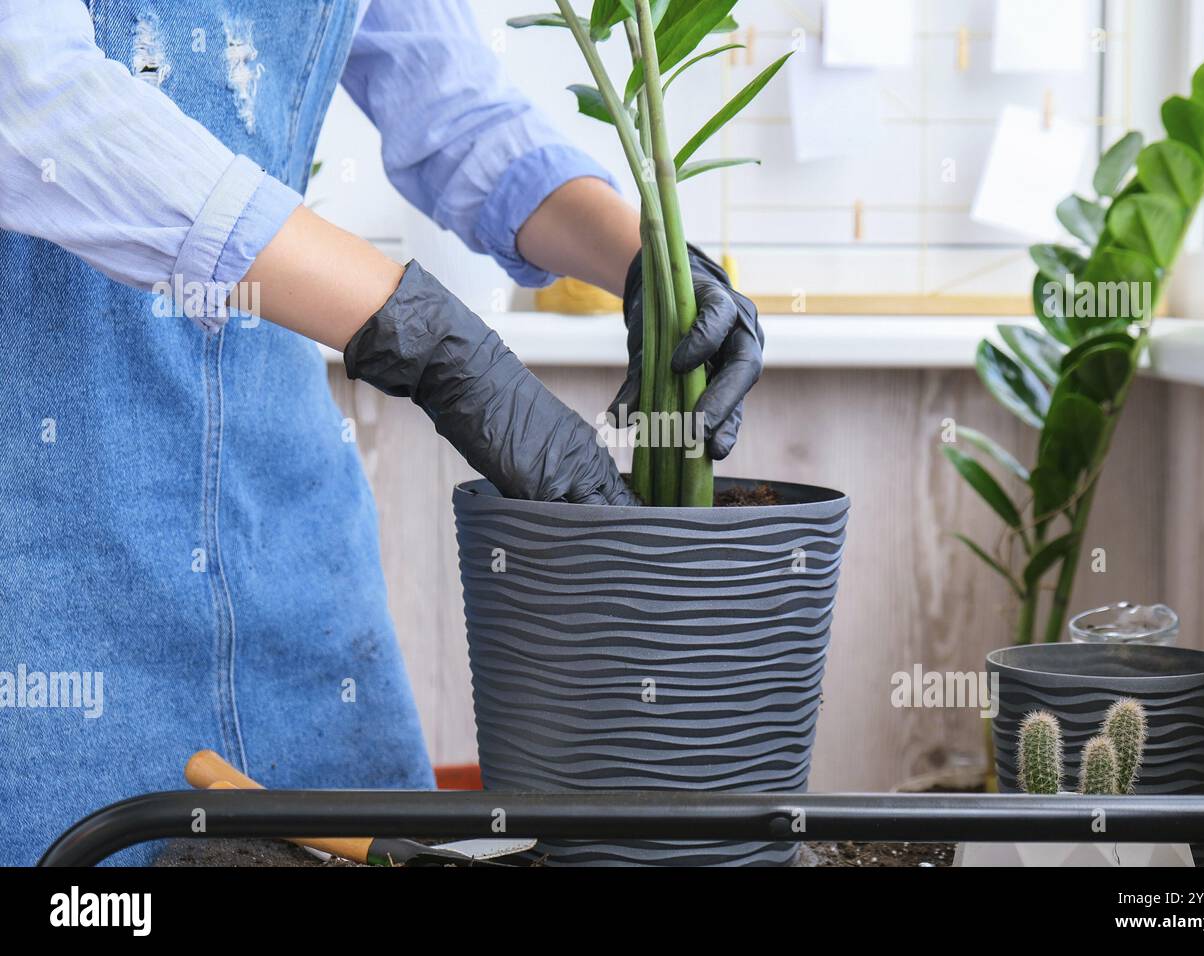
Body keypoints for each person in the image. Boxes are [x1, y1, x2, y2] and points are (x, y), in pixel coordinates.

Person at [0, 0, 762, 865]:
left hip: (283, 522)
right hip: (48, 539)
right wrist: (432, 343)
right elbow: (31, 101)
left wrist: (650, 264)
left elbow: (456, 112)